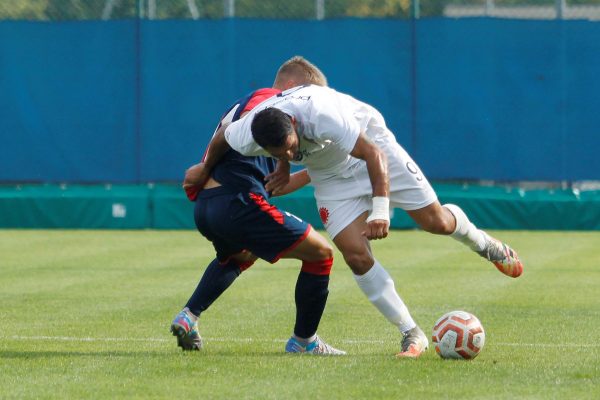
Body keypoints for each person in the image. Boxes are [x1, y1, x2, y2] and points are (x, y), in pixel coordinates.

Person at [204, 84, 524, 359]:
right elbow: (222, 138)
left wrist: (380, 210)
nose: (289, 153)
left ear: (293, 123)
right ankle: (411, 333)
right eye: (280, 152)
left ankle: (485, 244)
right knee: (355, 254)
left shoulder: (323, 115)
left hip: (373, 150)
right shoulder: (246, 132)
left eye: (291, 147)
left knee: (436, 221)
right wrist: (206, 168)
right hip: (329, 175)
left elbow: (373, 156)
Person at [170, 57, 345, 355]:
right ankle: (304, 342)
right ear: (292, 86)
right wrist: (204, 167)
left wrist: (315, 171)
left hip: (209, 206)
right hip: (236, 201)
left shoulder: (265, 131)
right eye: (307, 94)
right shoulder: (270, 99)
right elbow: (233, 130)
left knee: (240, 255)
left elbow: (273, 186)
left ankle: (189, 316)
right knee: (321, 254)